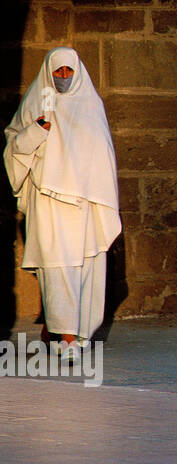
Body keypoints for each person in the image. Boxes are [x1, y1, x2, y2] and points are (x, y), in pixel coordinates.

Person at [3, 47, 121, 356]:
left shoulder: (91, 106)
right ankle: (67, 338)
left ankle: (70, 333)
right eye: (58, 72)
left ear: (78, 73)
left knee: (83, 267)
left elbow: (102, 156)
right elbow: (14, 147)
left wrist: (97, 197)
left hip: (82, 202)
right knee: (56, 267)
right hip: (49, 200)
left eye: (69, 71)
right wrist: (36, 131)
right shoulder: (37, 102)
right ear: (48, 72)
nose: (64, 77)